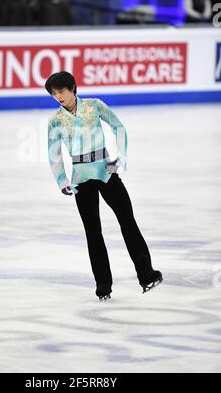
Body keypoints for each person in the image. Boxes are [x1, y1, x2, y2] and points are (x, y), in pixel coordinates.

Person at [46, 71, 163, 300]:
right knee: (93, 233)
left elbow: (118, 127)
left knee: (127, 221)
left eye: (61, 91)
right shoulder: (56, 120)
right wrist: (61, 179)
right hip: (80, 178)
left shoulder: (94, 106)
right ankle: (103, 287)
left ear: (72, 88)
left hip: (105, 172)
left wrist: (120, 158)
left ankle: (147, 275)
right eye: (54, 93)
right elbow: (54, 152)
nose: (58, 96)